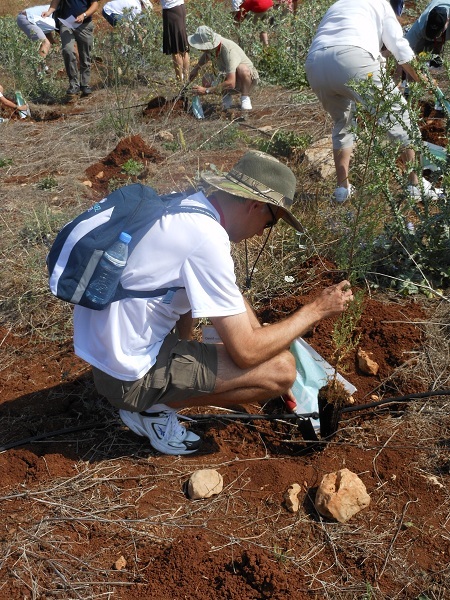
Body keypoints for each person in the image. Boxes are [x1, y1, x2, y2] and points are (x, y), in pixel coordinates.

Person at [73, 151, 354, 456]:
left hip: (106, 356)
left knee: (261, 351)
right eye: (270, 222)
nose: (263, 232)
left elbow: (210, 291)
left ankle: (159, 393)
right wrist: (315, 310)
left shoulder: (187, 207)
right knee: (282, 369)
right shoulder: (206, 239)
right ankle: (151, 409)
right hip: (126, 379)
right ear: (256, 205)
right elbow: (246, 353)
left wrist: (186, 349)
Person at [305, 0, 438, 203]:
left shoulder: (342, 4)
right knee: (401, 117)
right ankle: (416, 185)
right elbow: (399, 48)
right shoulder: (382, 5)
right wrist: (425, 80)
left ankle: (342, 189)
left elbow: (372, 56)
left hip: (315, 63)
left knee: (344, 123)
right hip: (351, 57)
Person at [188, 25, 259, 111]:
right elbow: (206, 55)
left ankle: (245, 97)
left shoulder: (229, 51)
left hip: (244, 80)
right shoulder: (212, 48)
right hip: (227, 75)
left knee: (243, 69)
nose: (201, 49)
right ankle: (226, 95)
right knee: (206, 79)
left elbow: (231, 83)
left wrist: (206, 90)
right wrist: (196, 69)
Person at [42, 0, 99, 99]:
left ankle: (85, 85)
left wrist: (84, 15)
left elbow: (95, 4)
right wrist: (49, 12)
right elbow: (56, 1)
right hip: (66, 23)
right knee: (67, 50)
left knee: (85, 55)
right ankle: (74, 85)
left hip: (84, 25)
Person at [405, 1, 450, 67]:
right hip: (423, 32)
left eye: (437, 34)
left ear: (448, 21)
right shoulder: (421, 24)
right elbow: (404, 47)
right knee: (416, 53)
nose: (436, 37)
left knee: (435, 61)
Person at [160, 0, 189, 82]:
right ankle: (186, 79)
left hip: (171, 10)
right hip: (180, 7)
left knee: (175, 49)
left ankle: (180, 81)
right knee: (183, 46)